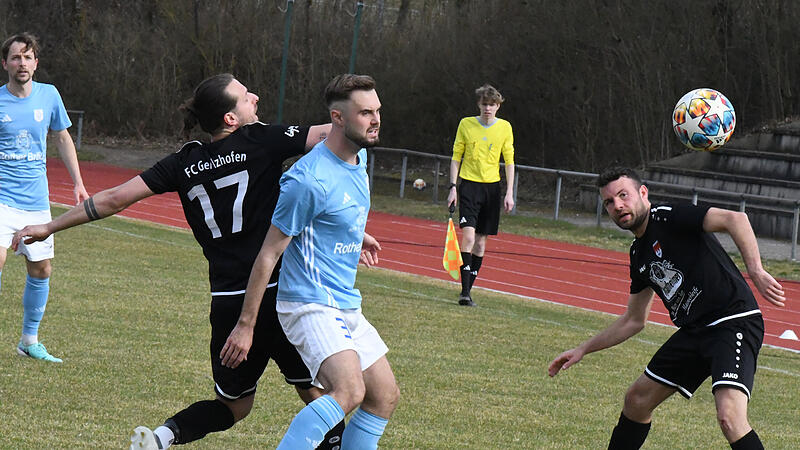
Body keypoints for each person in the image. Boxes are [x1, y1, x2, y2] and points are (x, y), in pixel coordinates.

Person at [13, 73, 345, 450]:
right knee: (328, 396)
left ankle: (160, 438)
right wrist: (357, 112)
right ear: (230, 120)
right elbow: (334, 134)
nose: (255, 96)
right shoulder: (262, 139)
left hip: (227, 301)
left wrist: (49, 226)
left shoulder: (183, 162)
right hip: (281, 293)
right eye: (244, 95)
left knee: (233, 406)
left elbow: (112, 200)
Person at [221, 74, 400, 449]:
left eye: (377, 110)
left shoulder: (359, 156)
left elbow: (336, 209)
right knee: (348, 390)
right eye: (365, 112)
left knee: (384, 395)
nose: (376, 119)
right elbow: (269, 253)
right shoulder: (307, 179)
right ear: (337, 117)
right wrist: (245, 325)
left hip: (343, 300)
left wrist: (354, 233)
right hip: (308, 302)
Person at [548, 167, 786, 449]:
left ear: (643, 193)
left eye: (623, 195)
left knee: (730, 417)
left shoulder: (669, 216)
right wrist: (583, 349)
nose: (618, 205)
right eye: (609, 202)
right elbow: (633, 320)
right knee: (636, 400)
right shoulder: (638, 254)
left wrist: (756, 271)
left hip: (732, 321)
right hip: (694, 331)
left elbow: (736, 218)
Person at [0, 32, 89, 363]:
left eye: (27, 57)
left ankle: (28, 341)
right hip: (1, 198)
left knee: (41, 271)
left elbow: (62, 138)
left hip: (36, 202)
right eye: (15, 57)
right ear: (5, 63)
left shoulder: (49, 95)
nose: (21, 63)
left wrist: (78, 182)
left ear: (36, 63)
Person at [446, 83, 514, 306]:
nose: (488, 108)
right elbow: (456, 156)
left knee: (481, 244)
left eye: (492, 104)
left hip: (492, 189)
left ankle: (469, 290)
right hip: (469, 187)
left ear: (498, 106)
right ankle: (464, 292)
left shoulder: (504, 128)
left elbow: (509, 161)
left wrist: (509, 192)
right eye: (485, 104)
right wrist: (453, 186)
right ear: (479, 104)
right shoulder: (466, 124)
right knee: (468, 236)